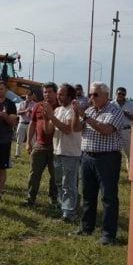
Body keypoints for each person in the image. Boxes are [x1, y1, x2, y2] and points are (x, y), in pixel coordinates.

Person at [72, 82, 124, 245]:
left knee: (108, 197)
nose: (91, 98)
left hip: (107, 158)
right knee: (88, 194)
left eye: (95, 95)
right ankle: (87, 227)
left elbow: (106, 129)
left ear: (106, 96)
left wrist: (85, 117)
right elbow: (75, 128)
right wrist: (76, 113)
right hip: (87, 157)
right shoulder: (89, 110)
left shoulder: (114, 110)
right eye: (90, 95)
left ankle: (108, 234)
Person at [43, 83, 83, 221]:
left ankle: (69, 213)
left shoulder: (73, 110)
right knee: (59, 182)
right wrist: (47, 117)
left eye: (61, 94)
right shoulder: (58, 110)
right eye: (58, 94)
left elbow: (67, 129)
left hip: (70, 153)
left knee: (68, 184)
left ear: (69, 96)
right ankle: (64, 208)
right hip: (58, 151)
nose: (58, 97)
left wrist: (51, 116)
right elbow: (48, 130)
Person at [24, 82, 59, 207]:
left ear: (55, 93)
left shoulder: (60, 107)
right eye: (45, 92)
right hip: (39, 145)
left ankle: (53, 198)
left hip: (56, 147)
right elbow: (32, 124)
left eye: (50, 92)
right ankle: (30, 198)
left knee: (55, 175)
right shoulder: (38, 106)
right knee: (34, 173)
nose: (47, 94)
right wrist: (28, 142)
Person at [114, 87, 133, 167]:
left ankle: (130, 172)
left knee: (129, 153)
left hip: (126, 130)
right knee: (114, 153)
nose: (121, 95)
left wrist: (128, 114)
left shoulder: (130, 104)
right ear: (116, 93)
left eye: (123, 94)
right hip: (114, 131)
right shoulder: (111, 104)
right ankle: (114, 170)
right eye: (119, 93)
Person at [15, 90, 36, 159]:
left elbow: (36, 115)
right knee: (19, 139)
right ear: (26, 95)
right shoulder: (21, 103)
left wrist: (31, 112)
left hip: (30, 124)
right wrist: (25, 111)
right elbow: (17, 112)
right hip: (21, 123)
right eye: (28, 95)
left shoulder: (35, 104)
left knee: (32, 140)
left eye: (30, 95)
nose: (29, 96)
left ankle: (31, 154)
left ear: (32, 96)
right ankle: (18, 155)